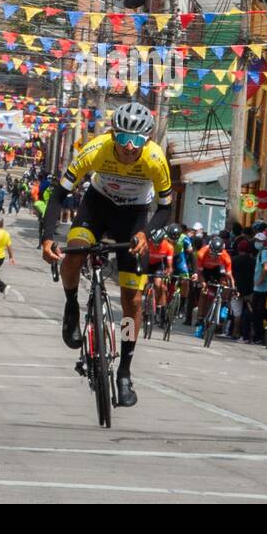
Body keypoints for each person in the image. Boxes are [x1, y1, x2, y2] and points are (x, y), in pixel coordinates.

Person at [41, 102, 173, 408]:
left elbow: (165, 207)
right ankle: (72, 306)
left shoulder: (156, 159)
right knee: (75, 251)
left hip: (134, 218)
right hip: (97, 207)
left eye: (137, 141)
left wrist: (146, 233)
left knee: (133, 300)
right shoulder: (96, 148)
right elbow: (59, 193)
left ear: (148, 140)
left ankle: (124, 371)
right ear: (113, 134)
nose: (128, 148)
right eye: (123, 139)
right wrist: (47, 238)